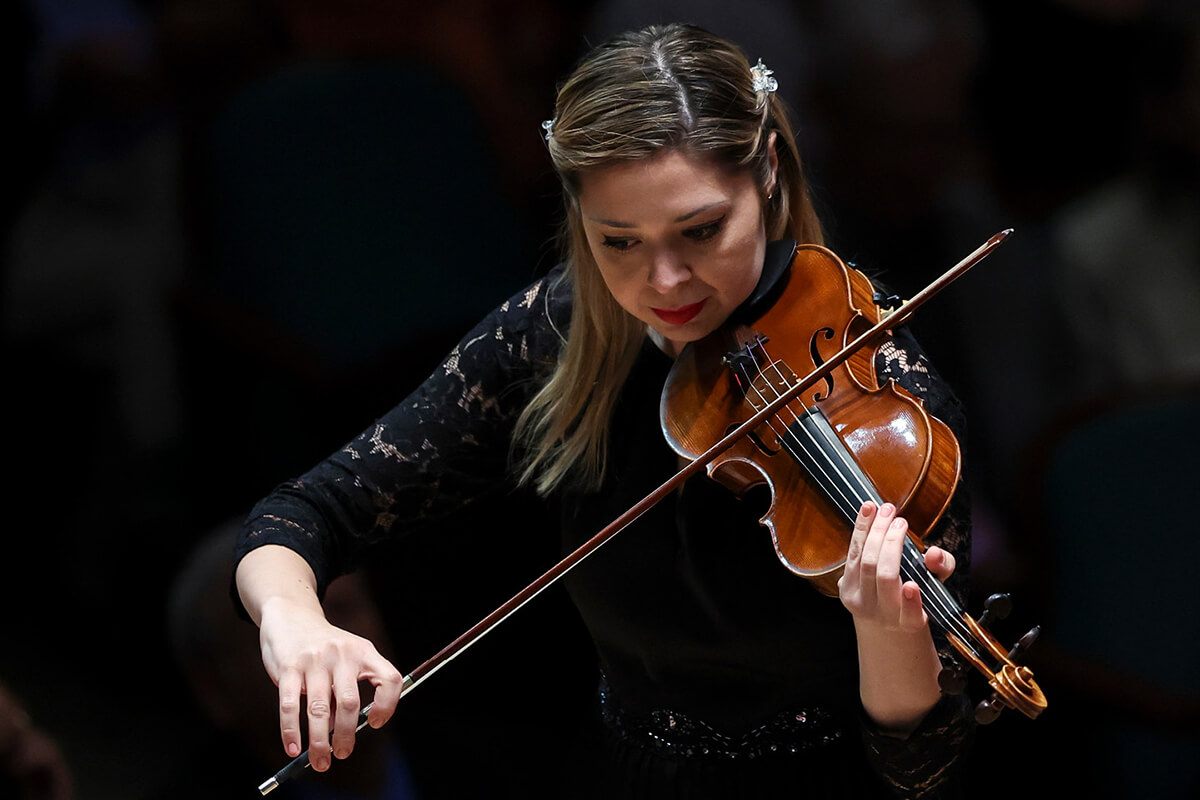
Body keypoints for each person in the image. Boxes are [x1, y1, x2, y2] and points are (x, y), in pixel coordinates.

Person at [233, 23, 975, 799]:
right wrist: (294, 619)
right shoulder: (553, 337)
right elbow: (304, 512)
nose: (665, 281)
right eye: (618, 241)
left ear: (770, 175)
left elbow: (921, 765)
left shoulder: (889, 400)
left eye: (701, 231)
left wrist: (888, 632)